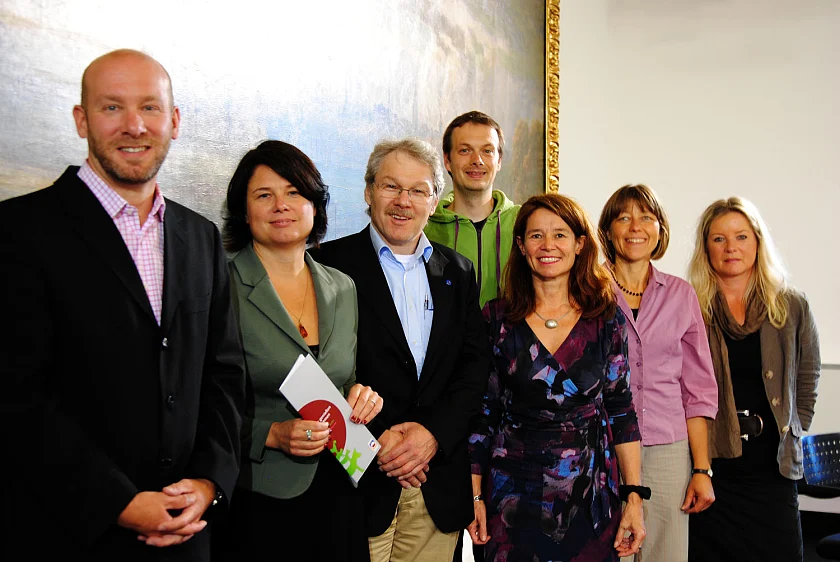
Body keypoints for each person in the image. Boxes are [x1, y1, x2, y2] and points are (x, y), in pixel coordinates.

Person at [0, 49, 245, 560]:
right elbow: (15, 396)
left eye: (150, 108)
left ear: (174, 121)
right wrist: (117, 500)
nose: (135, 126)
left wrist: (208, 483)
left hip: (188, 534)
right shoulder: (18, 232)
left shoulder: (200, 237)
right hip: (67, 531)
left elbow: (223, 376)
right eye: (112, 108)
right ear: (81, 119)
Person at [312, 138, 491, 562]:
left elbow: (473, 368)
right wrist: (377, 447)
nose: (403, 201)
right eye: (391, 187)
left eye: (417, 190)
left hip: (435, 481)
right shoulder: (325, 265)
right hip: (355, 480)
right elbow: (316, 374)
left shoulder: (458, 272)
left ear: (435, 201)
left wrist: (432, 436)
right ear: (369, 191)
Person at [211, 140, 382, 561]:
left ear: (314, 205)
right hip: (260, 495)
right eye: (264, 195)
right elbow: (201, 405)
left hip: (340, 487)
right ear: (244, 211)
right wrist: (270, 434)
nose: (281, 206)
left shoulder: (342, 287)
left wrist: (362, 394)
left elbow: (343, 378)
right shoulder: (221, 288)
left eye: (294, 192)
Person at [468, 193, 647, 561]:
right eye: (535, 235)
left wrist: (633, 497)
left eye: (560, 235)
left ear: (580, 244)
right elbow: (482, 416)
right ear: (520, 245)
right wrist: (474, 498)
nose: (548, 245)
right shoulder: (497, 319)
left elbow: (621, 412)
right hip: (512, 499)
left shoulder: (606, 319)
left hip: (590, 501)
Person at [687, 197, 820, 562]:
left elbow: (808, 377)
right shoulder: (691, 306)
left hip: (772, 469)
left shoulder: (792, 305)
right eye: (719, 239)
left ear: (758, 242)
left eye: (741, 236)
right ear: (706, 248)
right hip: (712, 466)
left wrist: (793, 427)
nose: (731, 247)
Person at [597, 184, 718, 562]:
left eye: (646, 217)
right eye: (624, 217)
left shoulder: (681, 295)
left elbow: (697, 389)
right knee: (607, 550)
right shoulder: (587, 290)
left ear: (660, 230)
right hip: (601, 447)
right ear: (608, 230)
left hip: (669, 448)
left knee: (665, 554)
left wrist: (702, 468)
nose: (635, 226)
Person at [425, 111, 520, 308]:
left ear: (499, 161)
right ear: (447, 160)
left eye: (487, 151)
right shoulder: (425, 228)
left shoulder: (524, 223)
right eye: (465, 151)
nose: (477, 160)